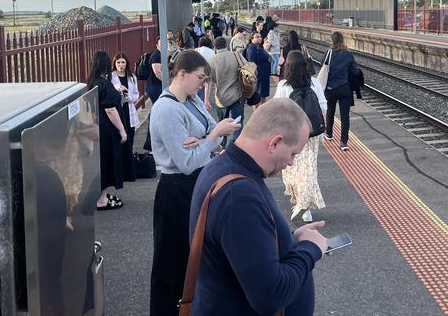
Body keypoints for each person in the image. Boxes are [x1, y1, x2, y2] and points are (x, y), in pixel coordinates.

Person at [188, 98, 327, 315]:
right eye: (292, 153)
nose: (291, 163)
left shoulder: (222, 167)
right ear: (274, 143)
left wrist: (288, 239)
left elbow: (241, 244)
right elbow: (269, 296)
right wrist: (310, 249)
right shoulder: (239, 196)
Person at [149, 50, 240, 316]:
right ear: (182, 74)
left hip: (194, 185)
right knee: (172, 261)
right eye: (200, 78)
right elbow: (186, 160)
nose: (202, 84)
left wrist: (204, 140)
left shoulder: (192, 100)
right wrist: (210, 139)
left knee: (194, 256)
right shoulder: (165, 109)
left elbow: (216, 133)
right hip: (176, 189)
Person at [274, 51, 326, 222]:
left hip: (290, 134)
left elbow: (277, 110)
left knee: (291, 170)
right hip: (311, 135)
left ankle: (300, 202)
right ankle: (305, 209)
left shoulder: (283, 85)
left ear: (287, 67)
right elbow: (323, 107)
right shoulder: (314, 83)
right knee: (309, 170)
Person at [86, 50, 134, 210]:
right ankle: (101, 199)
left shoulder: (92, 82)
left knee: (101, 162)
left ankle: (102, 196)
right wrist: (122, 130)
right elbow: (110, 110)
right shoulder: (103, 84)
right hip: (107, 130)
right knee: (107, 162)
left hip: (97, 127)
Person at [323, 31, 358, 151]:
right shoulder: (348, 54)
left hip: (330, 89)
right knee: (345, 116)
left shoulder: (329, 53)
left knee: (330, 111)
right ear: (342, 40)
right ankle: (344, 142)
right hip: (344, 88)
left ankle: (329, 133)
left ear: (332, 40)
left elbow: (323, 66)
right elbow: (355, 71)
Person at [206, 36, 247, 139]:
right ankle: (236, 144)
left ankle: (222, 144)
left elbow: (208, 81)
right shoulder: (236, 55)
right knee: (237, 122)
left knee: (222, 124)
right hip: (237, 95)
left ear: (214, 47)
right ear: (226, 45)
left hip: (220, 97)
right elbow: (248, 68)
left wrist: (206, 99)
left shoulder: (211, 61)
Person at [111, 52, 140, 160]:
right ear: (114, 63)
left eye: (123, 62)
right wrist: (118, 87)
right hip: (118, 111)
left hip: (129, 110)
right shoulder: (111, 77)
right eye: (118, 62)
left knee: (130, 137)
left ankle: (129, 161)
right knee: (120, 138)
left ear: (127, 63)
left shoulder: (132, 77)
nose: (121, 65)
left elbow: (137, 94)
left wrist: (129, 97)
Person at [245, 31, 271, 108]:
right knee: (258, 97)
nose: (260, 38)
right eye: (257, 37)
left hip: (264, 75)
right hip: (259, 76)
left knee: (263, 95)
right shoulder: (252, 48)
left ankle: (262, 112)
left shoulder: (258, 47)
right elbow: (251, 63)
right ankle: (256, 114)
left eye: (260, 37)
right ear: (252, 38)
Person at [146, 36, 163, 104]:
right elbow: (158, 73)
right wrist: (167, 83)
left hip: (157, 85)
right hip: (154, 86)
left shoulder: (161, 54)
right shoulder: (156, 56)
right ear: (157, 45)